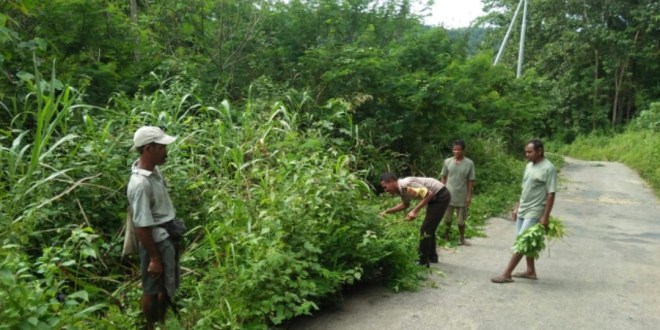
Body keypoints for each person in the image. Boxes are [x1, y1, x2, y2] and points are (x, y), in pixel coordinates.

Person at [127, 126, 180, 328]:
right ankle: (151, 325)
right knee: (151, 288)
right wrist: (155, 258)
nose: (166, 151)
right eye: (162, 147)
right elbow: (141, 226)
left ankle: (162, 322)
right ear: (149, 149)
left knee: (166, 286)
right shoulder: (140, 184)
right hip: (155, 241)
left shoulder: (154, 171)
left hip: (166, 235)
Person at [491, 139, 556, 283]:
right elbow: (524, 189)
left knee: (522, 241)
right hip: (524, 208)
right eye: (526, 152)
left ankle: (507, 273)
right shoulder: (528, 166)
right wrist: (517, 207)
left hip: (535, 209)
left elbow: (551, 194)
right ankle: (530, 271)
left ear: (540, 151)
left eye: (530, 152)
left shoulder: (548, 168)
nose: (527, 155)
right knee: (526, 240)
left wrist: (545, 216)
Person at [379, 173, 451, 267]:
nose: (386, 190)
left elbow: (429, 194)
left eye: (385, 187)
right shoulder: (401, 190)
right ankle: (432, 256)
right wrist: (386, 211)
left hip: (441, 196)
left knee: (425, 229)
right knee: (429, 228)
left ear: (392, 181)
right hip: (434, 198)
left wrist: (414, 211)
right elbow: (405, 205)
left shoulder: (406, 185)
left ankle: (423, 261)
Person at [440, 140, 476, 246]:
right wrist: (442, 191)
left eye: (459, 149)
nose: (456, 151)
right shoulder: (447, 162)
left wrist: (469, 196)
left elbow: (471, 180)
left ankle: (462, 239)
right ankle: (446, 237)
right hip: (448, 194)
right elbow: (443, 176)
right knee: (447, 218)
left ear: (463, 150)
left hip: (462, 195)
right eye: (454, 149)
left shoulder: (469, 163)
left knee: (461, 220)